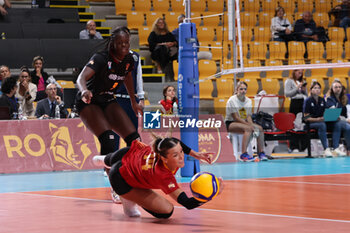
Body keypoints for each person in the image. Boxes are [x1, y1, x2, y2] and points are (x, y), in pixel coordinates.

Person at [92, 137, 222, 218]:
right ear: (164, 158)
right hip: (120, 176)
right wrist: (210, 195)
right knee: (166, 211)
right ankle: (125, 197)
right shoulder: (164, 176)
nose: (182, 157)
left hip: (132, 156)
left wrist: (196, 154)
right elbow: (187, 203)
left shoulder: (164, 149)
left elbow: (178, 143)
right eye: (176, 155)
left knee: (113, 159)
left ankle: (104, 160)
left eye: (181, 152)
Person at [75, 26, 143, 158]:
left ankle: (132, 170)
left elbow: (128, 76)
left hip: (108, 99)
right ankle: (109, 172)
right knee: (109, 139)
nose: (124, 46)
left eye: (126, 43)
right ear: (113, 43)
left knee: (135, 140)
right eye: (120, 43)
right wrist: (84, 91)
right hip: (90, 101)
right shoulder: (101, 58)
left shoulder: (129, 59)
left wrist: (133, 102)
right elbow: (81, 78)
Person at [225, 81, 267, 162]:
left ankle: (261, 153)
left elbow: (248, 116)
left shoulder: (248, 101)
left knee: (260, 128)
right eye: (241, 89)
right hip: (231, 123)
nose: (243, 91)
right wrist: (249, 126)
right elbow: (236, 117)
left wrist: (252, 125)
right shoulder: (232, 100)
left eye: (245, 89)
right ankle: (243, 154)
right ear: (236, 90)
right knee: (248, 129)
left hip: (243, 122)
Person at [303, 81, 333, 157]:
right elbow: (306, 117)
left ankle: (335, 148)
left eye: (319, 88)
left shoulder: (322, 100)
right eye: (315, 88)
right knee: (322, 125)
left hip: (320, 122)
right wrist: (317, 119)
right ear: (311, 90)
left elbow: (325, 112)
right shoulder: (308, 101)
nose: (317, 90)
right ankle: (326, 149)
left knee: (335, 124)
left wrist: (328, 115)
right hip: (309, 124)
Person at [325, 80, 350, 156]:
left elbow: (345, 113)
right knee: (341, 124)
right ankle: (335, 147)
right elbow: (333, 113)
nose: (338, 89)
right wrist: (345, 120)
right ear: (332, 89)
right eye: (336, 87)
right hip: (329, 122)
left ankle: (348, 149)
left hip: (340, 122)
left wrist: (347, 119)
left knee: (348, 127)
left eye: (339, 87)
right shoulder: (330, 99)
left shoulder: (343, 99)